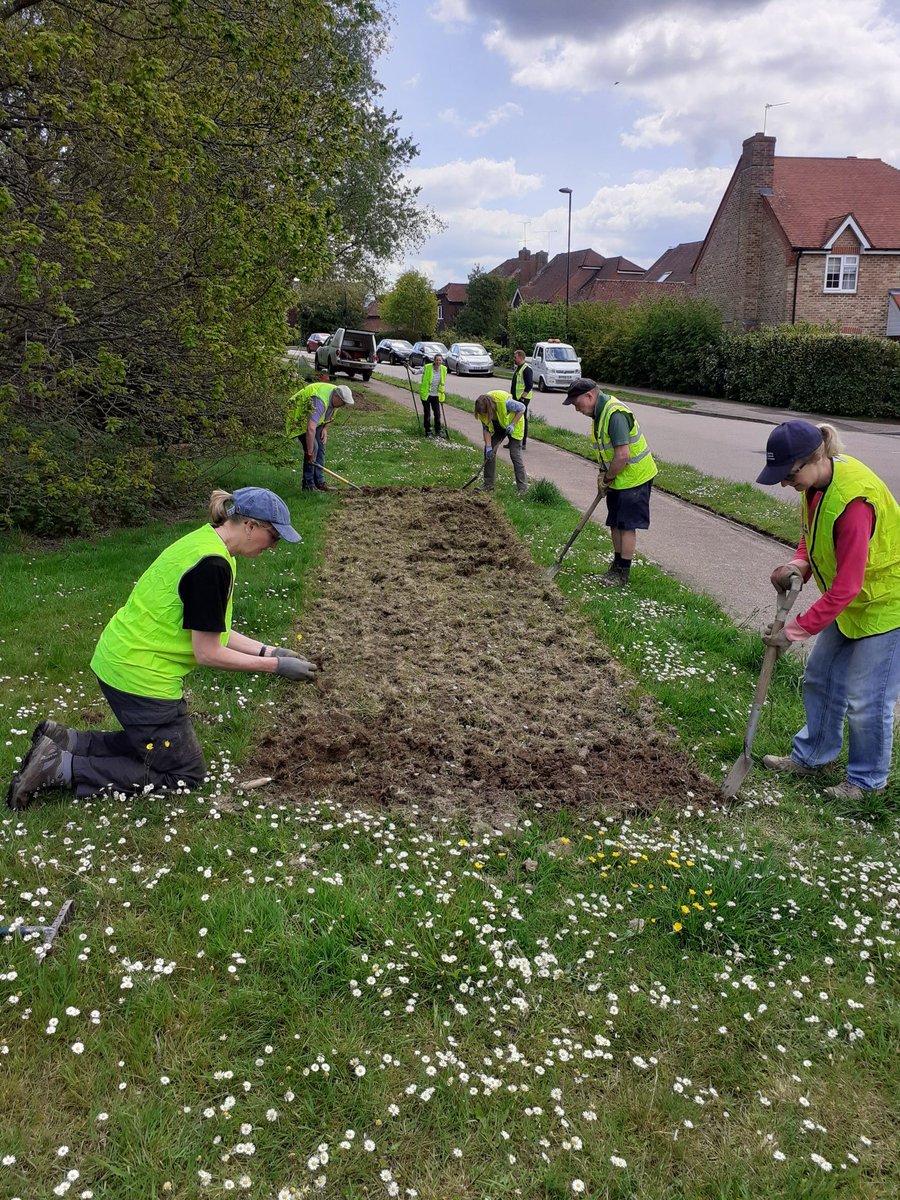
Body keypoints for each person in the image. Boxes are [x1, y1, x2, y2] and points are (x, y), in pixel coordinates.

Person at [7, 487, 318, 811]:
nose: (273, 546)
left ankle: (66, 741)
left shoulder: (206, 544)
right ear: (251, 525)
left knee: (158, 748)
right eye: (273, 536)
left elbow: (211, 627)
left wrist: (269, 651)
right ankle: (58, 766)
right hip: (141, 675)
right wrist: (275, 668)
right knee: (184, 773)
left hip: (121, 657)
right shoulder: (212, 565)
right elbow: (208, 652)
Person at [755, 419, 900, 801]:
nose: (785, 483)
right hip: (853, 601)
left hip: (888, 603)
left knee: (868, 698)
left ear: (815, 457)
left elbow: (847, 587)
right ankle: (813, 756)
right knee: (821, 677)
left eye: (789, 475)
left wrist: (794, 631)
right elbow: (812, 533)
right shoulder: (815, 485)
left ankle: (866, 783)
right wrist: (798, 564)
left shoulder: (854, 504)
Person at [563, 378, 657, 586]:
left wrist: (607, 478)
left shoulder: (615, 415)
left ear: (589, 396)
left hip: (634, 478)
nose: (576, 409)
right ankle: (616, 566)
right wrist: (603, 475)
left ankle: (623, 573)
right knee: (614, 523)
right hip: (618, 478)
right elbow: (607, 452)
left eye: (577, 403)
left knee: (626, 525)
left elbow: (623, 455)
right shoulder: (599, 414)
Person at [286, 382, 354, 491]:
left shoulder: (335, 396)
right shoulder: (320, 401)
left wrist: (325, 428)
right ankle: (308, 486)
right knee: (313, 448)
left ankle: (320, 482)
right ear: (337, 397)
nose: (343, 406)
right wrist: (310, 453)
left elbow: (330, 413)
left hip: (314, 421)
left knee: (321, 444)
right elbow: (310, 428)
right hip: (297, 419)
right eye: (343, 403)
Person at [473, 390, 528, 496]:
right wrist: (488, 447)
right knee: (488, 454)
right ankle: (488, 484)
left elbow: (522, 408)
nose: (484, 414)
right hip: (498, 426)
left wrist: (512, 424)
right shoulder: (481, 409)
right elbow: (486, 429)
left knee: (515, 455)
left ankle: (523, 488)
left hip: (514, 426)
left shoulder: (505, 403)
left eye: (485, 412)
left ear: (490, 408)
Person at [415, 353, 447, 437]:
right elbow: (416, 372)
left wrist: (442, 397)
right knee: (427, 413)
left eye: (440, 360)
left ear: (442, 361)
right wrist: (408, 367)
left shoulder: (444, 369)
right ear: (434, 360)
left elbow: (442, 383)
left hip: (436, 395)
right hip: (426, 394)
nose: (438, 362)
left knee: (437, 414)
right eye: (437, 360)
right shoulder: (427, 367)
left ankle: (438, 430)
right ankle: (428, 431)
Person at [510, 349, 534, 450]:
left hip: (523, 399)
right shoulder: (519, 368)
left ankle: (522, 442)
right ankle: (513, 441)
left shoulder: (526, 369)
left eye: (515, 357)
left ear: (520, 357)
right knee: (514, 418)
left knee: (522, 419)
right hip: (516, 397)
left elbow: (529, 385)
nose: (514, 359)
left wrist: (522, 397)